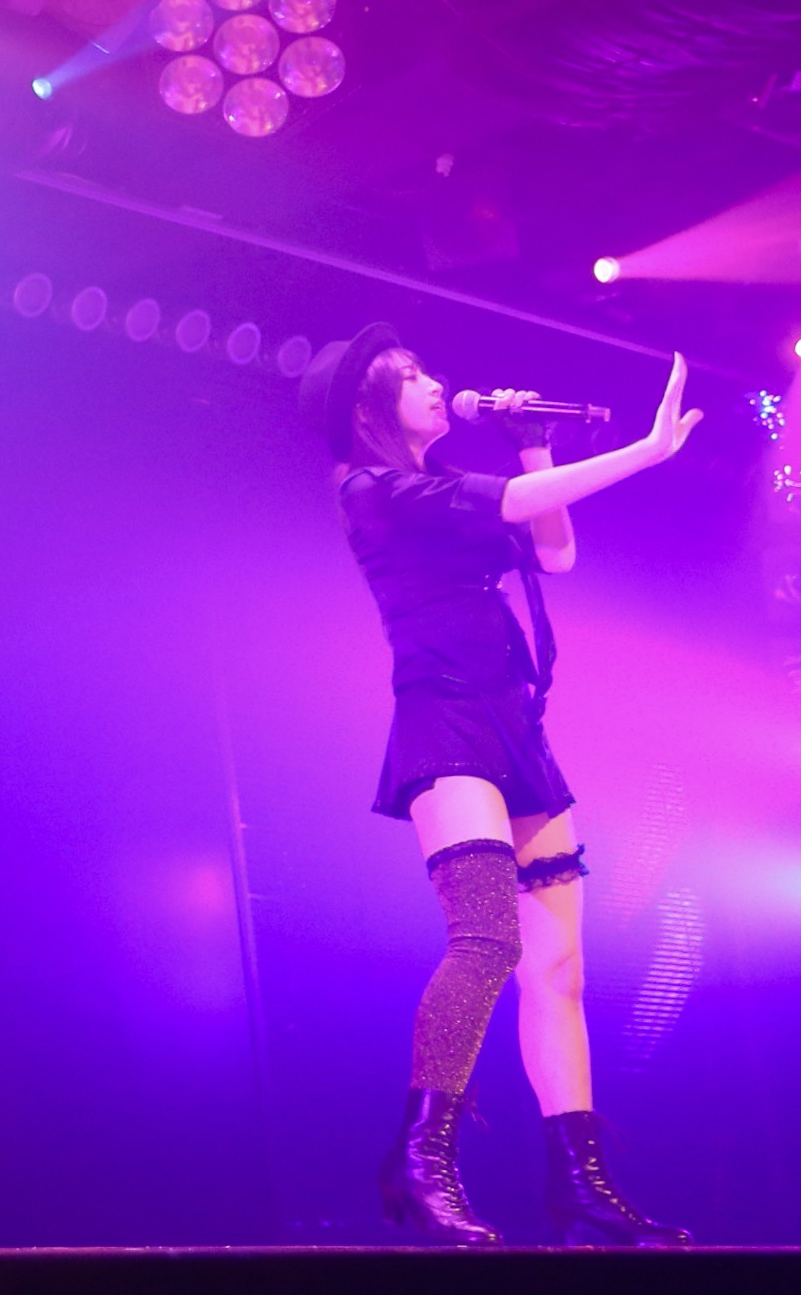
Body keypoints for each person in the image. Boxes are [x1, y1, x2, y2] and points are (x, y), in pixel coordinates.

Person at [300, 324, 702, 1247]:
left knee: (558, 968)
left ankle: (578, 1185)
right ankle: (418, 1158)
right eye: (411, 377)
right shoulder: (370, 490)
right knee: (485, 941)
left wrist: (533, 441)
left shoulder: (439, 489)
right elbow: (520, 505)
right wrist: (644, 452)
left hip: (514, 726)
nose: (434, 384)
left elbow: (552, 553)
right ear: (369, 406)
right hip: (442, 723)